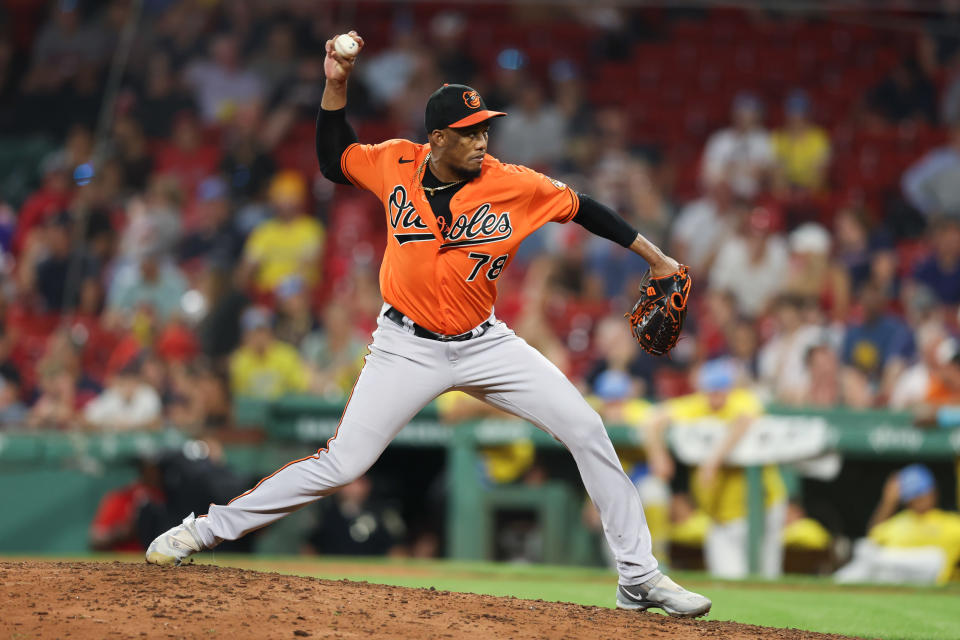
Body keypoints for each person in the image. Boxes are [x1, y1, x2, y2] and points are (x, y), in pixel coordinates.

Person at [146, 31, 711, 619]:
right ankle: (200, 532)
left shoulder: (512, 182)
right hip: (405, 346)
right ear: (438, 137)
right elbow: (332, 159)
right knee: (344, 463)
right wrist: (335, 84)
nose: (481, 139)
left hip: (485, 342)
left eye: (485, 128)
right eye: (469, 131)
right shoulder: (396, 161)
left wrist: (658, 259)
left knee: (588, 428)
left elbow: (586, 208)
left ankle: (638, 577)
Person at [645, 358, 787, 579]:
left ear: (730, 387)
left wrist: (713, 462)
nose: (715, 397)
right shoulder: (699, 405)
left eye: (720, 390)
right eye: (711, 391)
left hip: (762, 509)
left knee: (767, 577)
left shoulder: (742, 400)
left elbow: (745, 419)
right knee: (728, 582)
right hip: (721, 517)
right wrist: (658, 455)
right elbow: (653, 419)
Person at [834, 465, 960, 585]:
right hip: (895, 576)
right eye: (914, 496)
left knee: (935, 557)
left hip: (931, 576)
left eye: (921, 494)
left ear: (933, 492)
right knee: (866, 548)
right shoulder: (900, 520)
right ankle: (835, 583)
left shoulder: (952, 522)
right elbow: (872, 537)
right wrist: (888, 502)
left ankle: (882, 560)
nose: (918, 500)